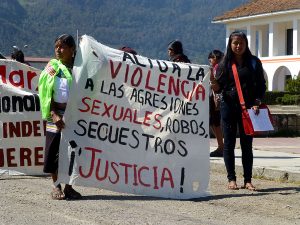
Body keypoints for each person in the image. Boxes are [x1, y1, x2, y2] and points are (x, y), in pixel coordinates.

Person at [212, 31, 266, 191]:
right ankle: (231, 179)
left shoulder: (254, 62)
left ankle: (248, 180)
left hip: (248, 109)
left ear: (246, 44)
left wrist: (257, 101)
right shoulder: (224, 64)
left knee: (247, 145)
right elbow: (219, 87)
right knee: (228, 144)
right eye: (235, 43)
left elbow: (261, 85)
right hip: (228, 107)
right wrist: (214, 84)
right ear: (230, 45)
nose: (238, 46)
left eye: (241, 43)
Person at [38, 34, 82, 200]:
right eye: (56, 46)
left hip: (75, 116)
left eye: (62, 46)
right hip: (55, 115)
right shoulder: (52, 68)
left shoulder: (80, 69)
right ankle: (56, 186)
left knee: (74, 151)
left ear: (72, 50)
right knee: (54, 151)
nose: (58, 49)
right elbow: (45, 93)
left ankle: (69, 187)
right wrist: (54, 114)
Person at [208, 50, 224, 157]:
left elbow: (216, 87)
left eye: (211, 58)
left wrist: (211, 78)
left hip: (216, 101)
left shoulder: (218, 68)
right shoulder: (220, 68)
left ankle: (221, 147)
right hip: (215, 100)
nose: (209, 60)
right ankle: (221, 146)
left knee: (215, 123)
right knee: (214, 123)